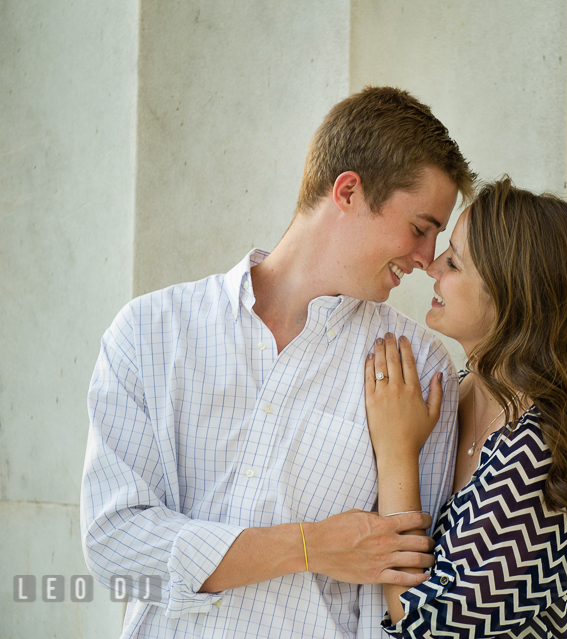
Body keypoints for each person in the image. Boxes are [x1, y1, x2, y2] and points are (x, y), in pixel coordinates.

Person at [80, 87, 476, 638]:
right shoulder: (150, 332)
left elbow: (398, 602)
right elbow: (116, 546)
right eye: (419, 228)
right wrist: (311, 546)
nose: (427, 259)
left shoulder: (419, 366)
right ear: (347, 191)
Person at [364, 177, 567, 637]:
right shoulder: (454, 393)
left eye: (454, 261)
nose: (431, 266)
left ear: (510, 296)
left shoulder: (546, 452)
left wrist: (397, 453)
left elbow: (430, 629)